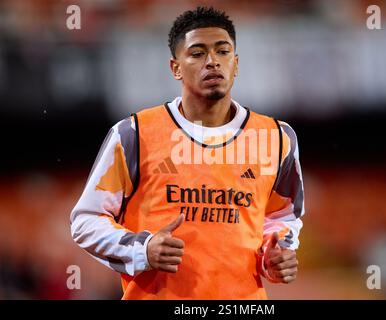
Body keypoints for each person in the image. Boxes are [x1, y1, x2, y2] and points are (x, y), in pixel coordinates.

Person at [70, 6, 305, 300]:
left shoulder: (276, 137)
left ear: (236, 63)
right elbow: (86, 220)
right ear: (175, 67)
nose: (212, 62)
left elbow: (282, 217)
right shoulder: (135, 134)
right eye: (197, 53)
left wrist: (277, 254)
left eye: (223, 52)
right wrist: (142, 249)